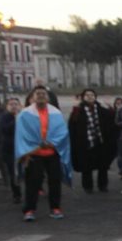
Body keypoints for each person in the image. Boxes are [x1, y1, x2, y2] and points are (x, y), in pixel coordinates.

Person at [15, 85, 72, 221]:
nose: (41, 95)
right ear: (32, 97)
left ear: (48, 97)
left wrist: (52, 142)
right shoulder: (25, 114)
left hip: (53, 153)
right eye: (38, 93)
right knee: (33, 183)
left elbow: (62, 132)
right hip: (34, 154)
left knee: (55, 182)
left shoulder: (56, 113)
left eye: (43, 93)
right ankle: (29, 210)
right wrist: (33, 147)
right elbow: (22, 134)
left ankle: (55, 208)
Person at [68, 89, 116, 194]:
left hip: (100, 142)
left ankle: (102, 185)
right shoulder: (78, 110)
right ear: (83, 97)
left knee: (103, 166)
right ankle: (87, 186)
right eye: (87, 95)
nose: (90, 97)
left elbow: (112, 118)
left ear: (95, 97)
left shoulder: (100, 109)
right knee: (86, 167)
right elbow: (72, 125)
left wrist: (110, 106)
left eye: (92, 95)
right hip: (85, 143)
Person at [0, 97, 23, 204]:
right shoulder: (3, 117)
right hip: (10, 150)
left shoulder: (24, 116)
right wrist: (16, 120)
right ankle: (16, 194)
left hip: (23, 148)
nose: (14, 106)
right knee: (13, 173)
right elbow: (5, 129)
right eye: (11, 104)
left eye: (16, 104)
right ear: (7, 106)